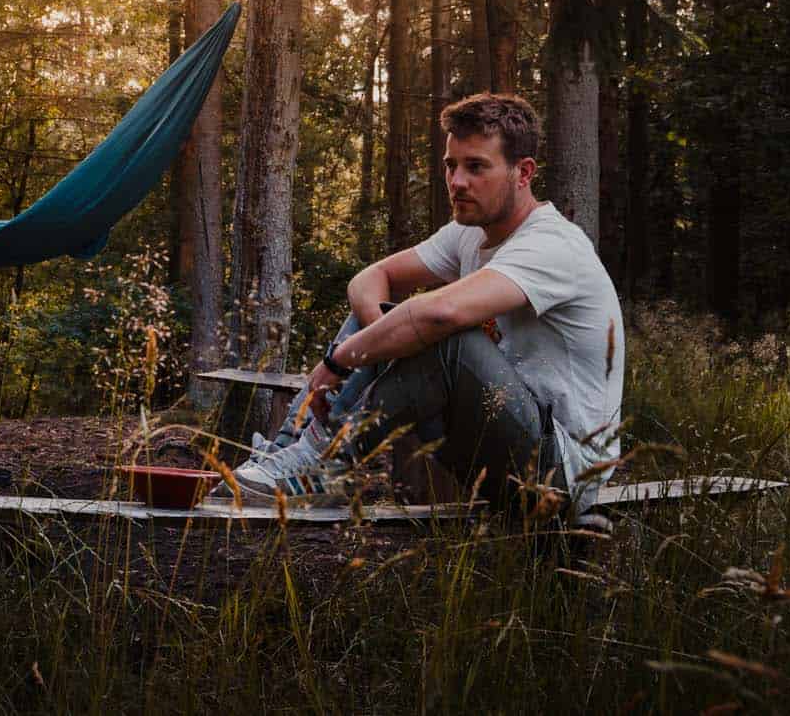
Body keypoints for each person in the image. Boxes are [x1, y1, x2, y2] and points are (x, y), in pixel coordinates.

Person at [219, 93, 625, 515]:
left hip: (560, 472)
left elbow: (440, 315)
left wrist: (341, 360)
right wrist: (377, 341)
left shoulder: (552, 244)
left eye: (476, 167)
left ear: (522, 173)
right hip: (489, 443)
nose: (457, 182)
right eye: (451, 165)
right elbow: (372, 278)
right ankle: (286, 453)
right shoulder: (470, 232)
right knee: (391, 318)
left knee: (443, 335)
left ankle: (327, 463)